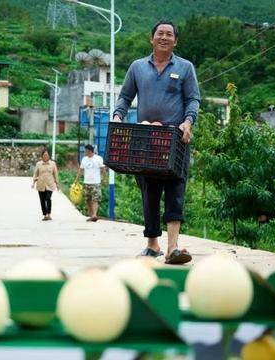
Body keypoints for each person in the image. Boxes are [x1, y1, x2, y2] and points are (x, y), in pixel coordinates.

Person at [112, 19, 201, 264]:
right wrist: (118, 116)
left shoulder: (185, 67)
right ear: (151, 38)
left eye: (169, 34)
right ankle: (152, 244)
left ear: (175, 41)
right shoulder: (137, 67)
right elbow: (125, 97)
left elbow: (193, 99)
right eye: (160, 33)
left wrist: (188, 122)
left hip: (175, 139)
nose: (164, 37)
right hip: (146, 139)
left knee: (175, 190)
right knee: (149, 191)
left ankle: (173, 247)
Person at [74, 144, 106, 222]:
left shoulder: (98, 158)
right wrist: (76, 180)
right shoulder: (84, 159)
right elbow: (80, 171)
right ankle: (91, 215)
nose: (85, 152)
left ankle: (94, 214)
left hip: (96, 183)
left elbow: (103, 169)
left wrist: (104, 179)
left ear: (90, 151)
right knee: (88, 200)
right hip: (86, 182)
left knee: (95, 199)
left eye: (86, 151)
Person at [32, 149, 59, 221]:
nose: (45, 156)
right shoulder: (38, 164)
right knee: (42, 200)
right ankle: (45, 214)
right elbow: (35, 173)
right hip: (41, 184)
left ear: (48, 156)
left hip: (50, 184)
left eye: (47, 155)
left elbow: (55, 174)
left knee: (48, 198)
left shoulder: (53, 164)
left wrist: (57, 184)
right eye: (44, 155)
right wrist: (33, 182)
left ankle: (49, 214)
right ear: (42, 156)